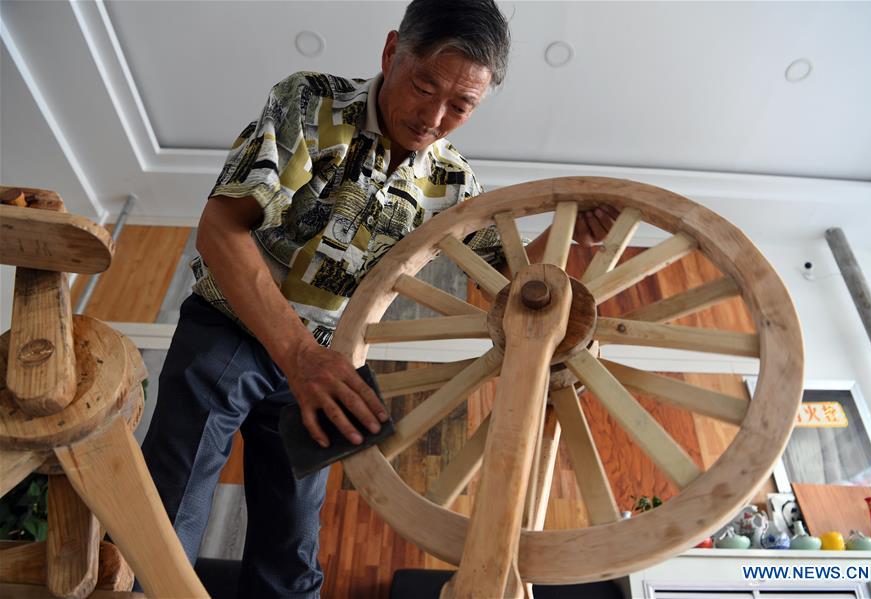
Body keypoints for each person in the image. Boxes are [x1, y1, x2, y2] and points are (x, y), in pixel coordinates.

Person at [141, 0, 616, 596]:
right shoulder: (309, 100)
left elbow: (513, 281)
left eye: (461, 106)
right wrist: (301, 356)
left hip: (330, 365)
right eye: (424, 86)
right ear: (392, 53)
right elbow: (221, 230)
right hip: (234, 327)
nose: (434, 116)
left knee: (292, 549)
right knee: (170, 506)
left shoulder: (456, 185)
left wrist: (583, 238)